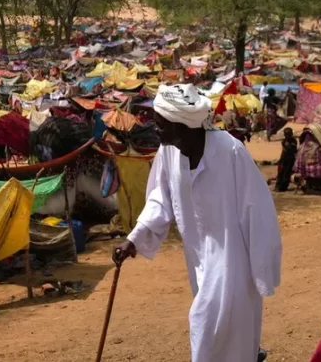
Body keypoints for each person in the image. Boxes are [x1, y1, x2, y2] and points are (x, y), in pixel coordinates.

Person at [114, 84, 281, 362]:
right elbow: (160, 199)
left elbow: (258, 210)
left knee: (206, 325)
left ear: (182, 125)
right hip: (198, 260)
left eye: (161, 125)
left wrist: (262, 270)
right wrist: (134, 238)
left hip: (234, 260)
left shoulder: (230, 151)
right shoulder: (169, 152)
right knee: (223, 337)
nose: (156, 131)